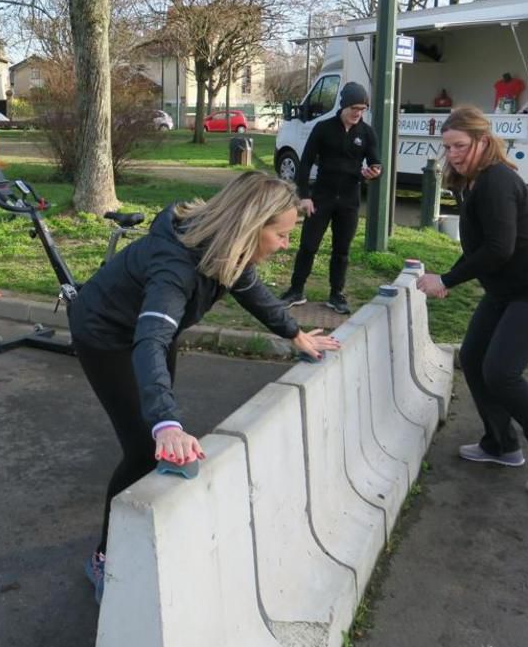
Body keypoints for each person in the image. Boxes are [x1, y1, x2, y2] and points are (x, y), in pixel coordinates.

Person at [67, 171, 341, 602]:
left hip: (146, 334)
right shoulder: (175, 267)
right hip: (107, 335)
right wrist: (166, 423)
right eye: (283, 235)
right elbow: (150, 341)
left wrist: (294, 334)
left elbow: (249, 288)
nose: (286, 244)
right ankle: (104, 558)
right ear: (252, 228)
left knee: (157, 433)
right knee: (145, 443)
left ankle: (150, 517)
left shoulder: (224, 248)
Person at [415, 106, 528, 496]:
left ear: (483, 141)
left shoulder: (497, 180)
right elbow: (479, 246)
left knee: (502, 372)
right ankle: (501, 445)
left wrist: (448, 278)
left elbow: (499, 249)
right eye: (447, 147)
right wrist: (449, 278)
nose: (452, 154)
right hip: (506, 290)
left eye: (460, 146)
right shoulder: (468, 182)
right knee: (473, 358)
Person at [279, 81, 382, 314]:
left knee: (341, 249)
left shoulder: (366, 133)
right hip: (321, 197)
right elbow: (304, 164)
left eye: (362, 109)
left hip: (349, 200)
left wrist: (374, 171)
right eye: (354, 108)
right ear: (343, 106)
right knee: (308, 245)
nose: (358, 113)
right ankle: (296, 290)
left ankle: (337, 294)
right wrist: (304, 197)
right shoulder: (323, 128)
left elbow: (375, 162)